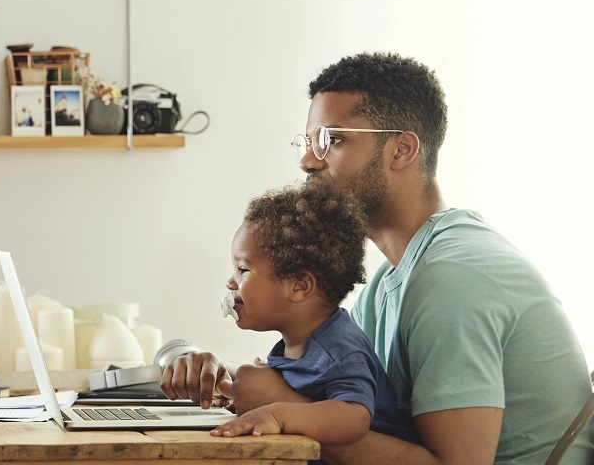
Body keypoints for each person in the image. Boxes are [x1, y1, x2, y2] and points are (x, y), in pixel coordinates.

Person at [161, 52, 594, 464]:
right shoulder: (389, 282)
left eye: (331, 140)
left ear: (402, 150)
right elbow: (350, 400)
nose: (309, 162)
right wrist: (228, 381)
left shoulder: (452, 278)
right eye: (307, 142)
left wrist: (281, 406)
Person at [211, 181, 417, 450]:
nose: (231, 283)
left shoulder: (339, 349)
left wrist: (277, 413)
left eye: (243, 270)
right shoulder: (296, 343)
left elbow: (354, 418)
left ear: (299, 286)